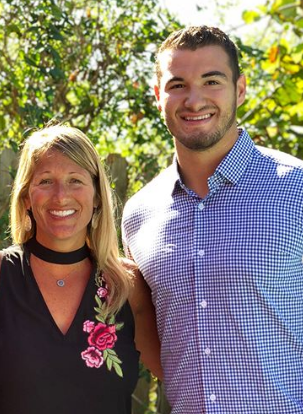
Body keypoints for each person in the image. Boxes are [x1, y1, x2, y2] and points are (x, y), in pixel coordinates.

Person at [122, 25, 303, 413]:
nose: (194, 99)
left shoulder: (296, 190)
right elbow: (156, 339)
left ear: (240, 89)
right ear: (158, 96)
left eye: (211, 81)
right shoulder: (139, 215)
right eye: (177, 85)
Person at [0, 124, 161, 414]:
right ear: (25, 197)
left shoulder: (126, 285)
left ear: (97, 197)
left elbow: (184, 376)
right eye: (45, 181)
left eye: (75, 180)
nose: (60, 196)